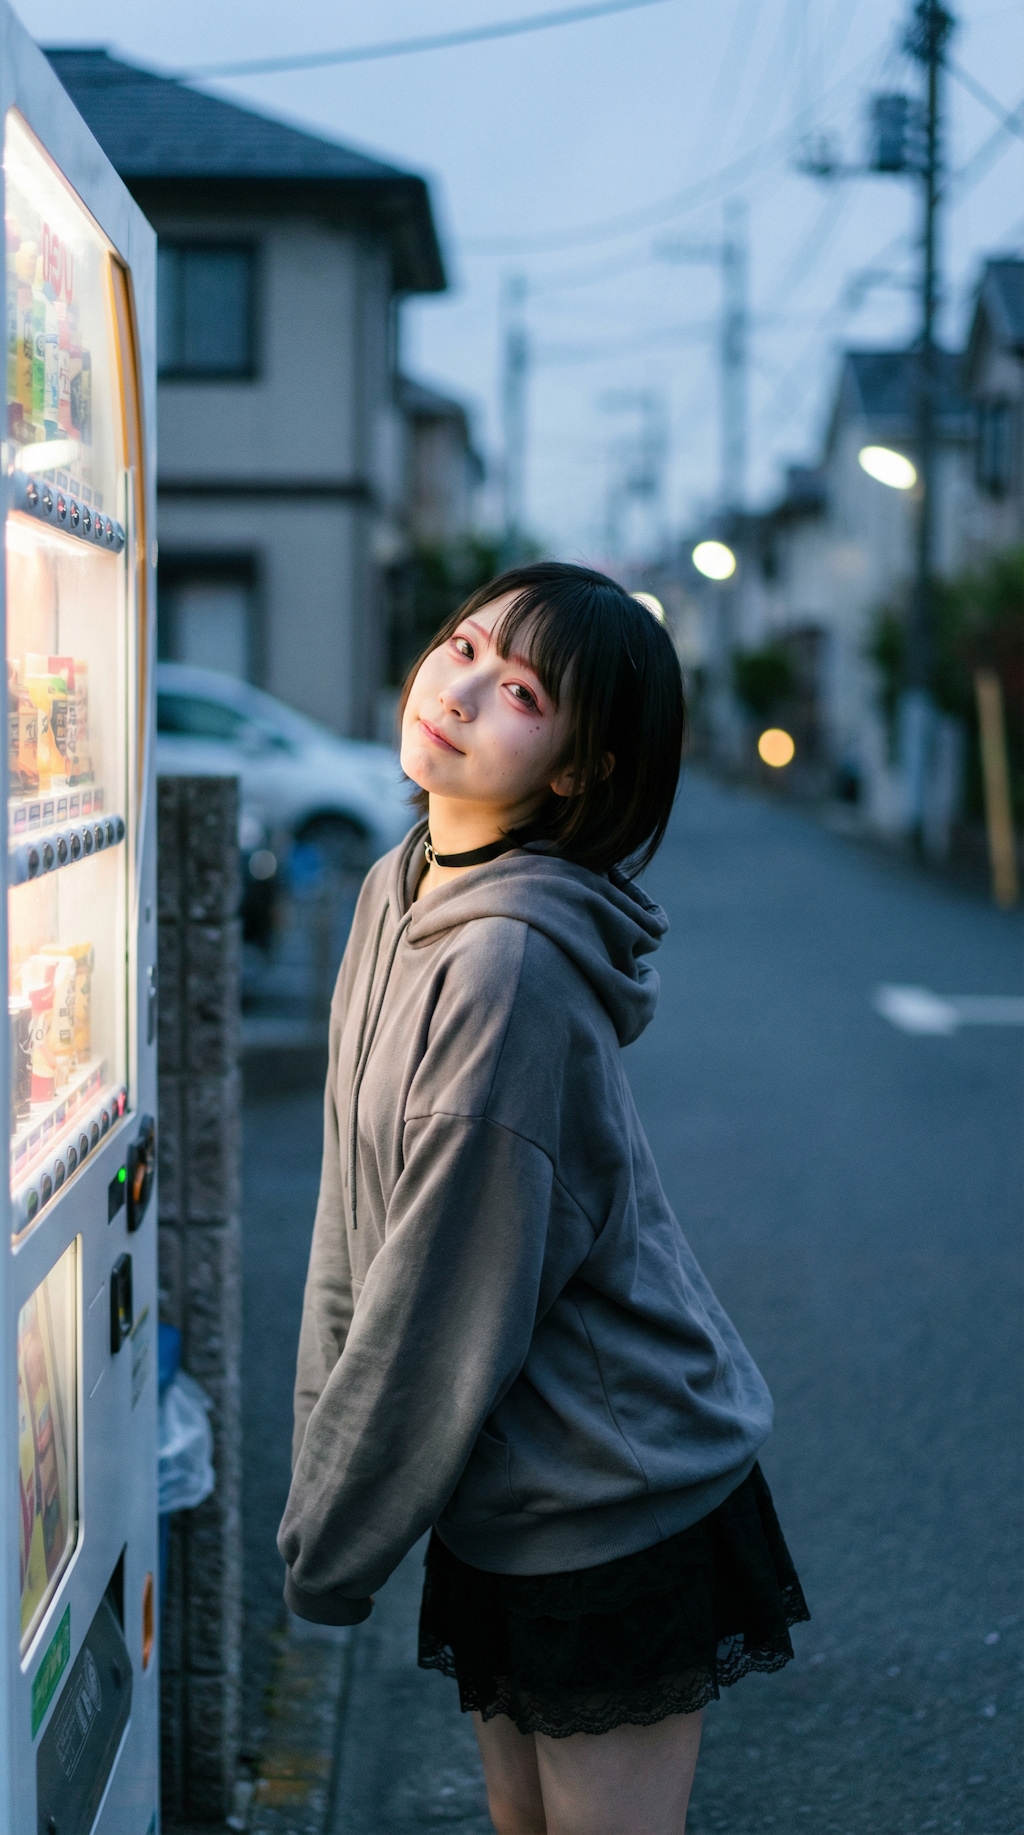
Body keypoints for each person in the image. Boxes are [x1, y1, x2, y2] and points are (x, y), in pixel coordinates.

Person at [278, 562, 809, 1835]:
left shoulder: (508, 964)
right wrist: (323, 1483)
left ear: (574, 770)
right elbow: (352, 1224)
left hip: (611, 1492)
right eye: (461, 645)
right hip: (498, 1489)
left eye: (517, 689)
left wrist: (329, 1541)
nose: (457, 690)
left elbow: (437, 1298)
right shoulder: (399, 883)